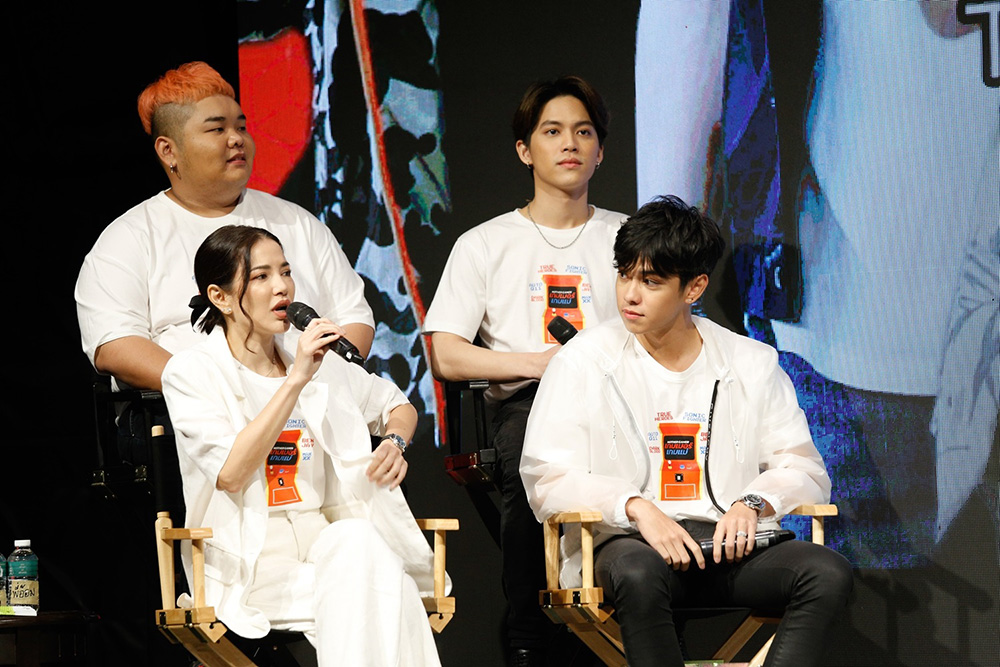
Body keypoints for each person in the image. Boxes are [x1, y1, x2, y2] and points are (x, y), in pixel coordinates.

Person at [520, 196, 852, 667]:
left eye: (651, 282)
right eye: (624, 275)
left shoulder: (750, 362)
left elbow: (804, 468)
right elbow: (547, 476)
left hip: (726, 549)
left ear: (694, 287)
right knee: (638, 573)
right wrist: (635, 508)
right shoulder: (582, 361)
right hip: (628, 547)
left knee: (826, 572)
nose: (629, 295)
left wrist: (752, 502)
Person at [160, 225, 442, 666]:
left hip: (325, 543)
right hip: (252, 561)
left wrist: (393, 442)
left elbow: (397, 405)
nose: (282, 287)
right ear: (219, 296)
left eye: (286, 272)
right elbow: (231, 473)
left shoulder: (312, 360)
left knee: (360, 542)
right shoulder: (192, 373)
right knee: (387, 592)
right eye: (261, 276)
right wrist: (295, 380)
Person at [423, 76, 625, 665]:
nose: (570, 144)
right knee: (528, 460)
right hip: (530, 401)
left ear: (600, 150)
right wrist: (537, 364)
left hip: (623, 399)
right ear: (524, 149)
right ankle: (530, 633)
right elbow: (446, 353)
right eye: (552, 131)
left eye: (583, 132)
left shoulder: (626, 238)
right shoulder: (485, 244)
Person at [76, 61, 374, 394]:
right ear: (168, 150)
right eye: (217, 130)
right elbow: (115, 345)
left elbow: (353, 317)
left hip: (307, 405)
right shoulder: (129, 238)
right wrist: (219, 394)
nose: (236, 139)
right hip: (193, 415)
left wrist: (307, 386)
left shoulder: (297, 222)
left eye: (241, 127)